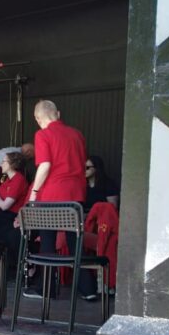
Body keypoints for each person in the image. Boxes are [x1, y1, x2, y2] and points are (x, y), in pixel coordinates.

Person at [27, 99, 96, 299]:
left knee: (48, 242)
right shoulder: (77, 135)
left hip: (52, 196)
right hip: (76, 195)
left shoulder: (43, 134)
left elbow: (45, 165)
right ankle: (88, 289)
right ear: (58, 113)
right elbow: (81, 164)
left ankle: (46, 289)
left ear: (38, 118)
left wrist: (34, 191)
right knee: (75, 241)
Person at [0, 151, 27, 262]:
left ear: (12, 164)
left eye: (4, 161)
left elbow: (5, 205)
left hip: (11, 217)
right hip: (2, 216)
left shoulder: (18, 179)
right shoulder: (7, 181)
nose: (1, 164)